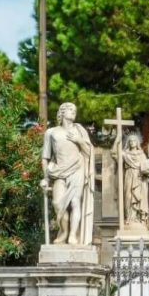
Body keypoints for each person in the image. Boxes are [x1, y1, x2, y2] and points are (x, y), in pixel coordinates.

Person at [40, 102, 94, 245]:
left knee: (76, 202)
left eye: (74, 110)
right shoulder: (51, 132)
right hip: (59, 172)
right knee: (58, 203)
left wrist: (79, 141)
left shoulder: (80, 130)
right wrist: (45, 178)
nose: (73, 111)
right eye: (70, 109)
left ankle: (72, 235)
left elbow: (89, 153)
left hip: (77, 169)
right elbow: (45, 158)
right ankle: (64, 231)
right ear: (62, 112)